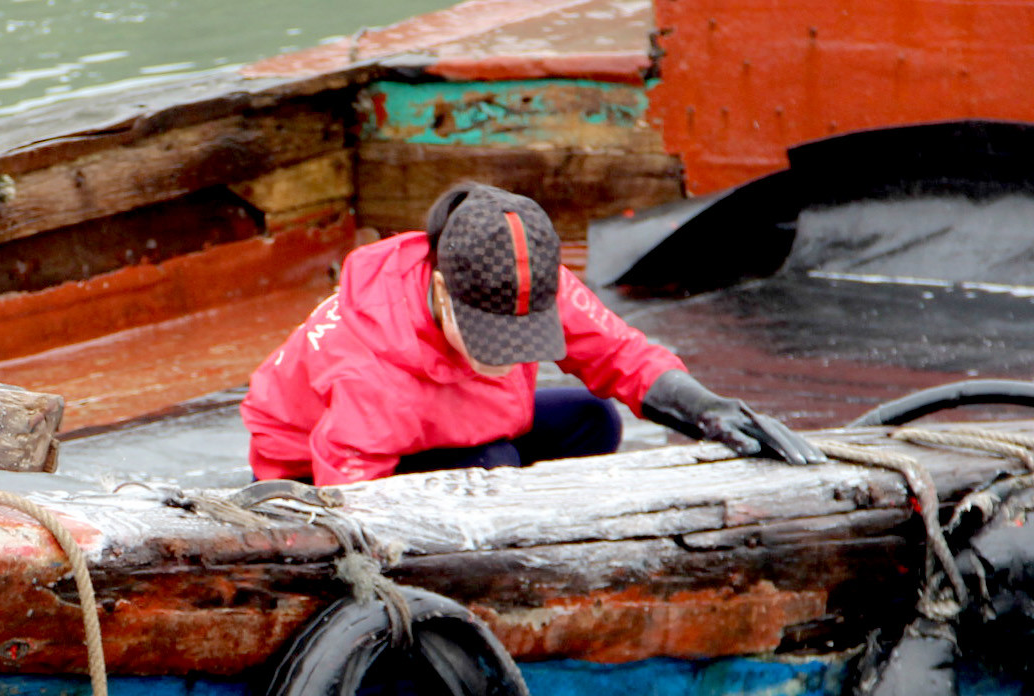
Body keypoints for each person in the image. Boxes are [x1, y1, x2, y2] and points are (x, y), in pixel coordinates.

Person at [243, 182, 820, 485]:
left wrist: (709, 411)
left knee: (593, 419)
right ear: (443, 293)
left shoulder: (524, 274)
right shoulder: (369, 375)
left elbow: (622, 355)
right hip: (313, 467)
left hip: (453, 419)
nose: (508, 355)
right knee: (493, 464)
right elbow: (348, 507)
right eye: (491, 334)